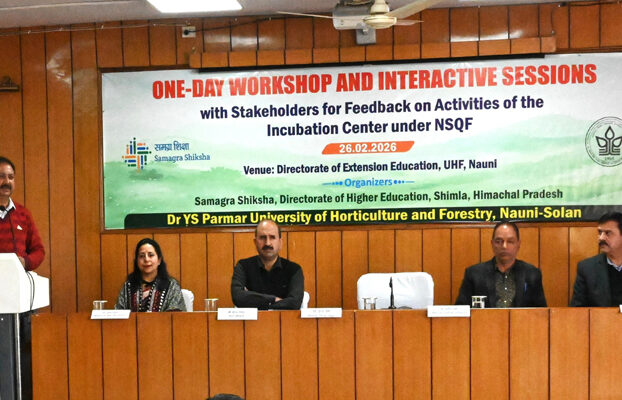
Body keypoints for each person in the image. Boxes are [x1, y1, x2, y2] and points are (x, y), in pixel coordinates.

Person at [0, 156, 45, 400]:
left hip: (19, 302)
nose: (6, 182)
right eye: (1, 176)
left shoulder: (23, 214)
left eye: (10, 177)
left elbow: (38, 250)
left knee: (23, 359)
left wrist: (24, 263)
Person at [455, 220, 547, 308]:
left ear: (518, 244)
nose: (504, 246)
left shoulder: (532, 274)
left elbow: (541, 313)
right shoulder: (474, 274)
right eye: (499, 241)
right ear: (492, 244)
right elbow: (460, 310)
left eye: (510, 241)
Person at [231, 219, 304, 310]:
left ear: (280, 242)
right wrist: (274, 300)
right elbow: (238, 297)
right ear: (255, 242)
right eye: (262, 237)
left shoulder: (294, 269)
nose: (267, 243)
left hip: (284, 319)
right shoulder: (243, 266)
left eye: (272, 237)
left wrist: (253, 299)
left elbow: (294, 303)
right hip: (252, 320)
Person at [115, 237, 186, 311]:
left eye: (151, 255)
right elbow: (119, 313)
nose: (146, 259)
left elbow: (177, 314)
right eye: (142, 256)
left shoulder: (171, 285)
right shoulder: (128, 286)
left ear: (159, 260)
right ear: (137, 261)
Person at [570, 211, 622, 307]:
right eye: (600, 232)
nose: (601, 238)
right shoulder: (587, 268)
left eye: (608, 233)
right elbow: (577, 309)